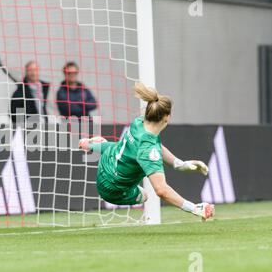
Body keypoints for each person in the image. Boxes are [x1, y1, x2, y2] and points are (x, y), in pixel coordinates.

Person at [79, 83, 214, 221]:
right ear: (166, 118)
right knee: (144, 195)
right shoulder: (148, 150)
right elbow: (161, 190)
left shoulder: (139, 122)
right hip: (111, 189)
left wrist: (180, 164)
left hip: (109, 156)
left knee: (118, 148)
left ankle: (89, 144)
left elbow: (157, 146)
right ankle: (91, 145)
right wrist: (195, 208)